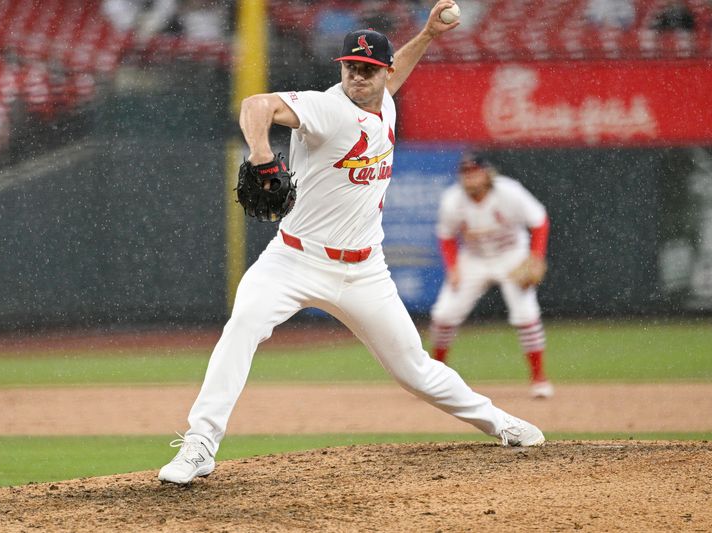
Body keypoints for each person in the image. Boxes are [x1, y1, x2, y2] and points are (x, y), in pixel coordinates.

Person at [158, 1, 545, 486]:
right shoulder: (324, 108)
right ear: (341, 68)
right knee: (242, 328)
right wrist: (261, 153)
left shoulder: (384, 98)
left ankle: (500, 422)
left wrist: (425, 34)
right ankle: (200, 444)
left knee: (415, 371)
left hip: (365, 271)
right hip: (293, 259)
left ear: (381, 73)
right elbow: (255, 105)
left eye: (368, 69)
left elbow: (397, 70)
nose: (358, 76)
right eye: (350, 67)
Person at [427, 153, 554, 399]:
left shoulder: (509, 192)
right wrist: (453, 268)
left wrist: (536, 256)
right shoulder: (452, 199)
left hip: (511, 256)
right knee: (443, 315)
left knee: (526, 314)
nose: (470, 177)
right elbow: (446, 236)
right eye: (466, 173)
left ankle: (539, 379)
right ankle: (434, 378)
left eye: (475, 172)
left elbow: (539, 221)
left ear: (487, 173)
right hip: (474, 260)